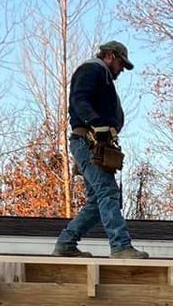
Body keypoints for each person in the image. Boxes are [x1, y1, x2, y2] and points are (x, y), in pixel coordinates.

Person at [55, 40, 147, 259]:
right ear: (110, 56)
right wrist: (97, 123)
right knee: (108, 193)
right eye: (121, 64)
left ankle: (66, 244)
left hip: (92, 142)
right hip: (88, 141)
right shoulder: (92, 69)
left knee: (97, 201)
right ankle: (120, 246)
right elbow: (79, 99)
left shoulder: (100, 74)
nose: (122, 70)